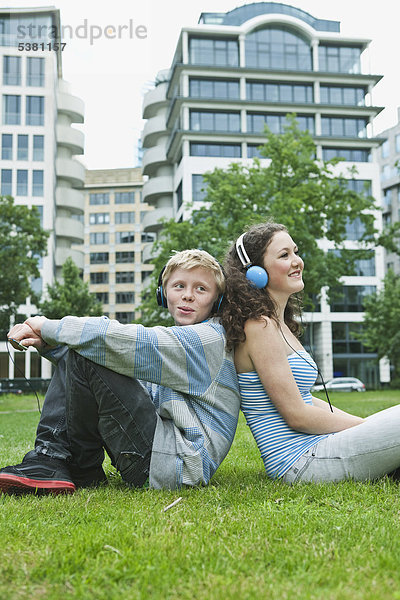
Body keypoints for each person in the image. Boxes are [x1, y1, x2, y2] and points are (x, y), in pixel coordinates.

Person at [1, 249, 240, 495]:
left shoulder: (209, 338)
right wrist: (50, 345)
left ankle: (51, 458)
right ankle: (77, 469)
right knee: (90, 347)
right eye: (179, 286)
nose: (188, 295)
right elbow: (111, 375)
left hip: (175, 467)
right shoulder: (182, 345)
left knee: (97, 344)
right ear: (163, 293)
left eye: (201, 289)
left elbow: (131, 341)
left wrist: (49, 326)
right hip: (162, 458)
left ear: (217, 301)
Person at [220, 221, 400, 484]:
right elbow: (297, 415)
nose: (297, 261)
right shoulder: (260, 326)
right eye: (284, 255)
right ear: (255, 272)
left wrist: (367, 425)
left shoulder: (278, 323)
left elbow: (306, 398)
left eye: (295, 251)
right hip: (299, 461)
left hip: (318, 447)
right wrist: (369, 430)